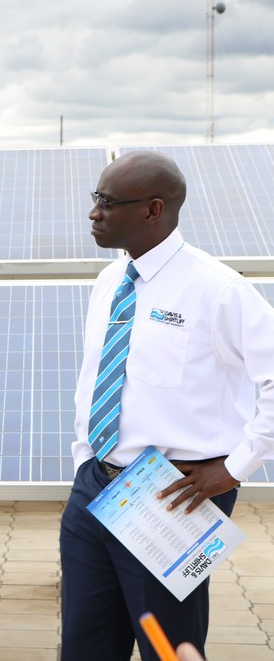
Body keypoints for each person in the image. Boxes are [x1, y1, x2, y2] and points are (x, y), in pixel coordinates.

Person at [59, 150, 274, 661]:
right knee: (85, 646)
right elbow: (99, 376)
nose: (93, 213)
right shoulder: (110, 282)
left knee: (169, 649)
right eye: (95, 198)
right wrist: (86, 459)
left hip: (174, 494)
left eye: (108, 202)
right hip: (94, 488)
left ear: (153, 210)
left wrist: (235, 468)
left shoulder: (218, 289)